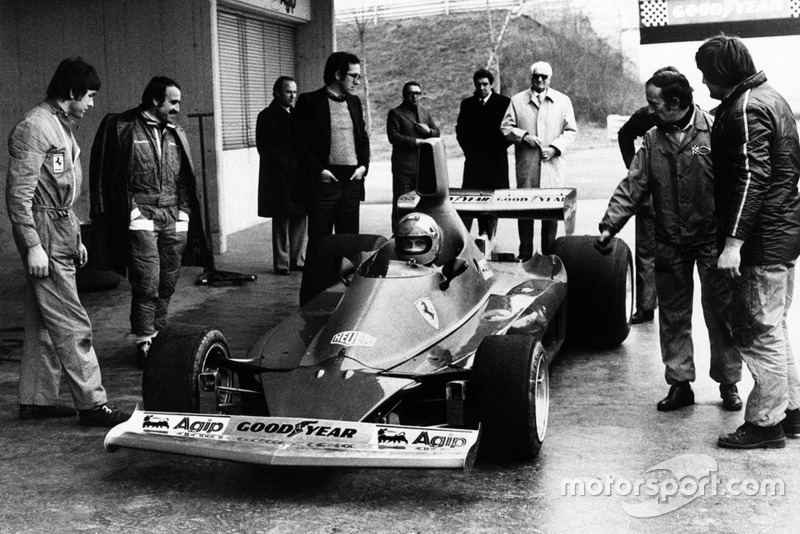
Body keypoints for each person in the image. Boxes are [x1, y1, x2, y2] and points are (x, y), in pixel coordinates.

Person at [597, 69, 742, 413]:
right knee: (673, 316)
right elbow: (632, 185)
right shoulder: (651, 139)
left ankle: (729, 382)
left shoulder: (714, 131)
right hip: (670, 243)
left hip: (710, 242)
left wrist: (735, 240)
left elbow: (736, 185)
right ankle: (680, 384)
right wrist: (609, 225)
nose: (649, 110)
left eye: (654, 103)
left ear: (675, 103)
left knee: (721, 315)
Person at [5, 57, 129, 427]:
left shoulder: (61, 126)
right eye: (88, 96)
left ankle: (36, 400)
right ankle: (92, 404)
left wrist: (75, 236)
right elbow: (19, 196)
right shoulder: (35, 128)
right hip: (43, 231)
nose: (91, 104)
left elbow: (62, 192)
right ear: (71, 92)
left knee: (44, 320)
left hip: (58, 227)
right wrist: (33, 245)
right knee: (73, 322)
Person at [696, 35, 800, 449]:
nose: (703, 83)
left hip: (759, 241)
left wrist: (733, 244)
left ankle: (764, 423)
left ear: (723, 73)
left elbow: (751, 179)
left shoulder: (745, 109)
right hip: (781, 234)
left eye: (707, 75)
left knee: (758, 331)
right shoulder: (771, 98)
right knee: (774, 327)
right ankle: (791, 413)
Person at [89, 76, 209, 367]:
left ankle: (159, 334)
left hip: (172, 217)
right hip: (141, 217)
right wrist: (134, 217)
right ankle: (145, 341)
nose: (178, 108)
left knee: (167, 282)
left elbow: (184, 178)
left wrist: (183, 216)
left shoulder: (175, 132)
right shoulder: (122, 127)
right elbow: (110, 176)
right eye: (173, 101)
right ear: (155, 100)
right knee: (147, 283)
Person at [294, 51, 370, 256]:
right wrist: (319, 171)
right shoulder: (309, 101)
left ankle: (346, 287)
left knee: (350, 244)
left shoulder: (354, 102)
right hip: (324, 184)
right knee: (320, 242)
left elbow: (362, 138)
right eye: (354, 76)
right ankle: (316, 287)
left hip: (352, 182)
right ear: (338, 75)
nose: (358, 81)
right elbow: (298, 142)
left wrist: (363, 167)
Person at [501, 61, 577, 258]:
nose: (541, 80)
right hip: (527, 166)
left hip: (552, 166)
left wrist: (555, 148)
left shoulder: (562, 101)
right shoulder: (517, 101)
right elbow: (505, 128)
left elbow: (571, 131)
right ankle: (525, 253)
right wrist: (523, 137)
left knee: (550, 211)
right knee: (525, 208)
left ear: (550, 79)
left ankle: (548, 255)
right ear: (531, 78)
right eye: (537, 76)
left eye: (545, 77)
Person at [256, 76, 306, 275]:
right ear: (276, 93)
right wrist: (289, 164)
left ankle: (297, 259)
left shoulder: (298, 115)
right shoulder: (266, 116)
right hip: (279, 177)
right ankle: (282, 262)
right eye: (288, 91)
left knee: (300, 218)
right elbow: (266, 149)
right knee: (282, 220)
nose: (293, 95)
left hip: (299, 175)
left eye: (295, 91)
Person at [456, 68, 511, 239]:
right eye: (478, 84)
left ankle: (489, 238)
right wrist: (470, 152)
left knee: (491, 202)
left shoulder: (503, 102)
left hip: (495, 162)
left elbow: (509, 130)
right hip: (474, 162)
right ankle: (468, 240)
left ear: (491, 84)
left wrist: (496, 149)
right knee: (471, 200)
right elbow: (461, 132)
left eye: (485, 84)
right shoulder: (467, 104)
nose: (481, 88)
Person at [387, 81, 440, 229]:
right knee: (401, 202)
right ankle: (398, 232)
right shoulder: (395, 113)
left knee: (421, 203)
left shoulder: (424, 112)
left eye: (417, 93)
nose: (414, 96)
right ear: (404, 95)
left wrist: (428, 132)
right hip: (403, 167)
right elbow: (394, 137)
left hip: (422, 167)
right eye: (411, 93)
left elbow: (437, 132)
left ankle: (417, 232)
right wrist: (415, 141)